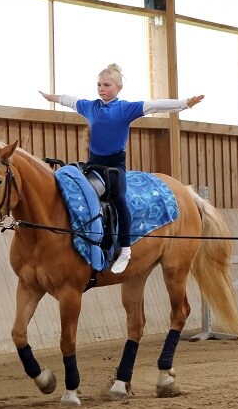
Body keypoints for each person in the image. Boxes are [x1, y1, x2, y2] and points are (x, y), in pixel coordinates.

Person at [39, 63, 204, 274]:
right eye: (99, 84)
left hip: (114, 168)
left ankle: (125, 249)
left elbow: (155, 105)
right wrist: (50, 97)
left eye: (106, 85)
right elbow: (68, 100)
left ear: (118, 87)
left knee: (119, 200)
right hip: (93, 165)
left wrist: (184, 104)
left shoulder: (125, 108)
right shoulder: (90, 106)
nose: (101, 88)